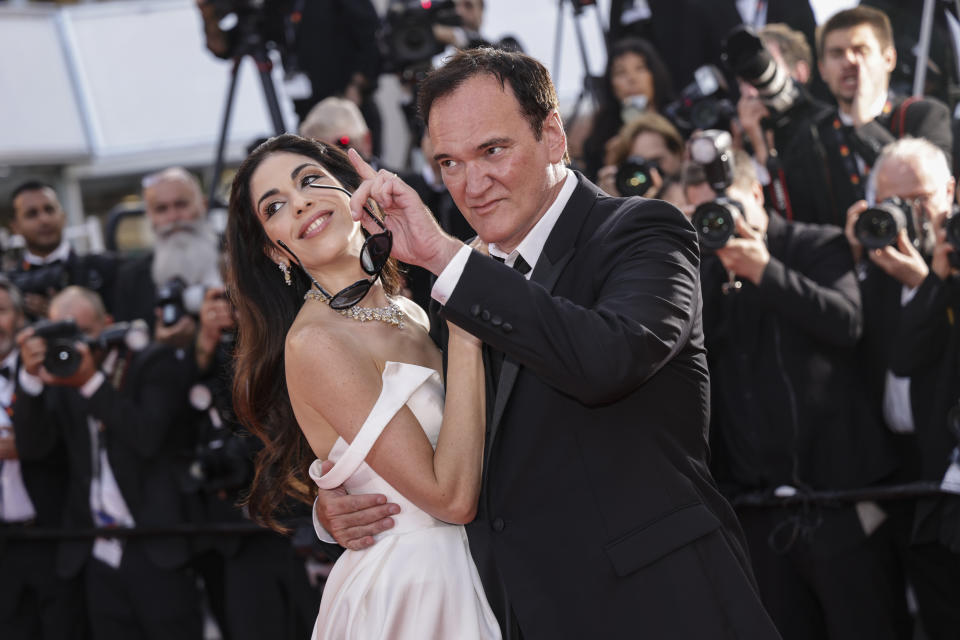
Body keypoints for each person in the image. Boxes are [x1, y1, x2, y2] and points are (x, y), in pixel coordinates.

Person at [316, 46, 780, 639]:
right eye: (448, 163)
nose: (472, 183)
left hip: (662, 607)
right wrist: (341, 510)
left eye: (492, 150)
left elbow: (607, 359)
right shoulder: (463, 287)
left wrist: (444, 257)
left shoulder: (642, 232)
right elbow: (439, 446)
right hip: (525, 616)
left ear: (553, 136)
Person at [224, 134, 500, 639]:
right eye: (276, 206)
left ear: (355, 190)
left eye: (310, 181)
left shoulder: (411, 313)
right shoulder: (316, 343)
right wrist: (466, 328)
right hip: (418, 595)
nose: (301, 201)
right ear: (274, 249)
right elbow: (451, 498)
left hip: (487, 568)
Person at [684, 151, 906, 640]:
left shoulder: (815, 244)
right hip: (759, 514)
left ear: (757, 195)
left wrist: (766, 272)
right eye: (706, 216)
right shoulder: (701, 273)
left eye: (728, 208)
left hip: (841, 503)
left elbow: (846, 323)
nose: (721, 226)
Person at [13, 287, 201, 640]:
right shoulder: (60, 375)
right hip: (95, 552)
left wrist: (90, 384)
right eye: (65, 336)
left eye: (86, 333)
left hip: (155, 547)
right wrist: (30, 379)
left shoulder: (152, 362)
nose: (77, 346)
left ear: (108, 324)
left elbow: (147, 437)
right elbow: (35, 448)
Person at [845, 137, 960, 640]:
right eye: (893, 203)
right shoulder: (864, 280)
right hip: (900, 481)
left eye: (920, 200)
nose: (908, 215)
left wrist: (927, 285)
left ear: (951, 191)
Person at [776, 6, 952, 228]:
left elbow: (937, 190)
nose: (849, 61)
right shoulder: (812, 135)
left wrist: (864, 125)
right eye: (837, 53)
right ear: (822, 69)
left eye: (861, 50)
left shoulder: (925, 116)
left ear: (889, 58)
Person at [0, 277, 85, 640]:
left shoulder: (52, 365)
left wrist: (24, 446)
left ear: (20, 317)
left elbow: (67, 442)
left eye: (0, 311)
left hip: (50, 536)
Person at [112, 167, 222, 343]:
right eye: (161, 209)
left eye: (181, 204)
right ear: (149, 217)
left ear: (203, 205)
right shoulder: (131, 280)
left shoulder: (239, 259)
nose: (173, 217)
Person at [7, 181, 118, 320]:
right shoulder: (9, 285)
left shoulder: (102, 269)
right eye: (32, 214)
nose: (44, 219)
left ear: (63, 217)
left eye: (49, 209)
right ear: (15, 227)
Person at [579, 37, 675, 181]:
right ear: (611, 84)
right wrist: (610, 164)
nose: (632, 79)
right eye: (620, 73)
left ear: (654, 74)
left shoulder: (679, 119)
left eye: (640, 68)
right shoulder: (601, 138)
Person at [595, 111, 685, 200]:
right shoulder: (624, 207)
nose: (650, 174)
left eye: (655, 161)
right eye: (639, 167)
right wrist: (610, 204)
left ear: (678, 153)